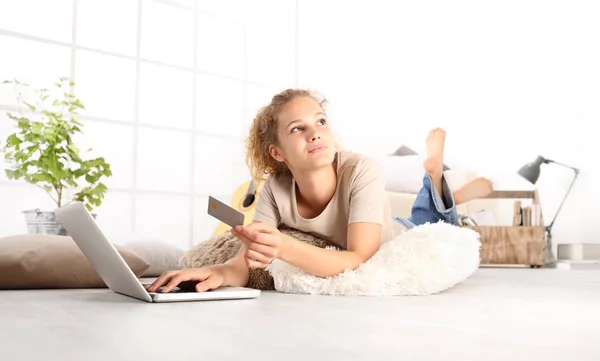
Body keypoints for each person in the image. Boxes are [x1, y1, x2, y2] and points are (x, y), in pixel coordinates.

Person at [147, 89, 492, 293]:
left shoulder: (361, 170)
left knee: (434, 225)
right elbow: (247, 263)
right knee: (430, 214)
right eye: (299, 128)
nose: (315, 133)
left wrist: (285, 245)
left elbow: (359, 259)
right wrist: (219, 273)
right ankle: (441, 190)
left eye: (321, 121)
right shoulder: (273, 191)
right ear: (277, 153)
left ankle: (436, 183)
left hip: (398, 232)